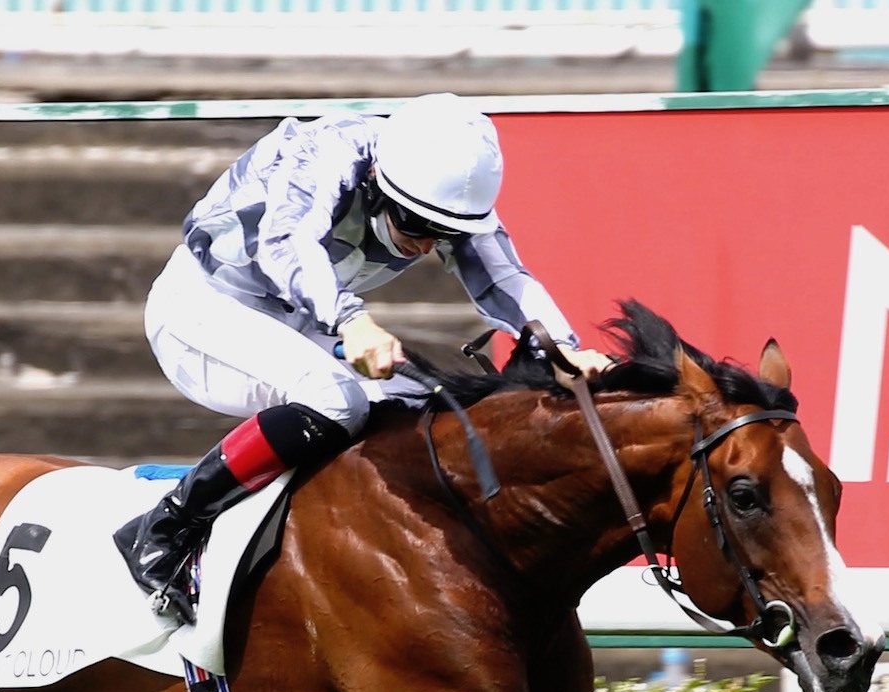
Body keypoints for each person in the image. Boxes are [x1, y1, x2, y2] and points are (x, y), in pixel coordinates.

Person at [115, 92, 614, 624]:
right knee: (336, 399)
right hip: (202, 307)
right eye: (418, 227)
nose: (428, 247)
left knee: (426, 406)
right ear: (378, 180)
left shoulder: (436, 193)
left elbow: (504, 277)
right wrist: (352, 320)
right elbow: (285, 243)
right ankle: (163, 527)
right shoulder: (322, 156)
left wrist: (563, 348)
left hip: (295, 318)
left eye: (447, 235)